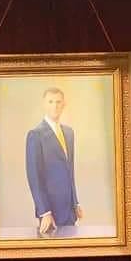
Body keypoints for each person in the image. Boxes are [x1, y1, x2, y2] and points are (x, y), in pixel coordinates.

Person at [25, 87, 82, 235]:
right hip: (50, 212)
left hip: (69, 210)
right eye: (50, 102)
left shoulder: (69, 133)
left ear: (64, 104)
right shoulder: (35, 135)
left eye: (58, 102)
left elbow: (70, 172)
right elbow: (34, 178)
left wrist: (75, 203)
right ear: (44, 104)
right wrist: (44, 212)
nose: (55, 106)